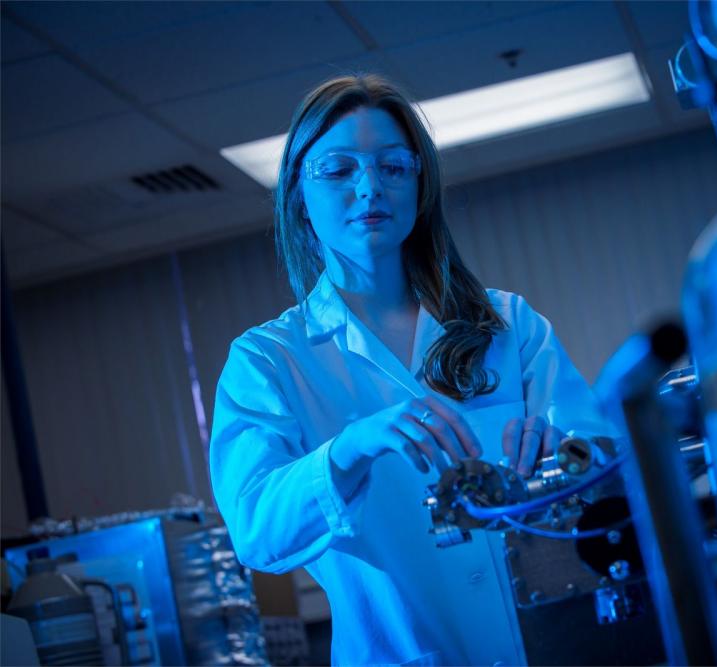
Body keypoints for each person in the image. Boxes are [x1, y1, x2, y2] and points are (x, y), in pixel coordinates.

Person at [209, 74, 612, 666]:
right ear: (298, 191)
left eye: (393, 167)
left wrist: (564, 454)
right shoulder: (267, 361)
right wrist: (348, 449)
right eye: (339, 170)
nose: (370, 187)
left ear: (419, 184)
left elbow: (604, 461)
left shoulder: (507, 324)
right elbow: (257, 533)